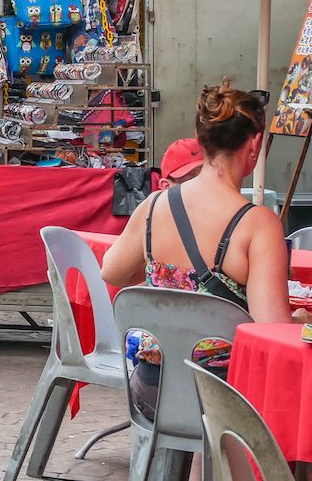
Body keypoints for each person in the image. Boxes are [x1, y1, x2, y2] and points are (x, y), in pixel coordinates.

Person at [102, 82, 290, 417]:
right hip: (227, 398)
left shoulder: (154, 206)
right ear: (255, 144)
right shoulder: (258, 225)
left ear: (200, 139)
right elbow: (272, 330)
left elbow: (112, 271)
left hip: (152, 391)